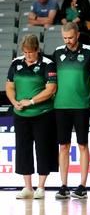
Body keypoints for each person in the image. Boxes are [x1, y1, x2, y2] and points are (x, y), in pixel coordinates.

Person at [6, 35, 58, 199]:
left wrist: (32, 101)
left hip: (42, 114)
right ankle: (27, 187)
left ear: (37, 50)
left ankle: (41, 187)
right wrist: (14, 101)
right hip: (21, 115)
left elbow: (51, 89)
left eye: (31, 52)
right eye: (25, 52)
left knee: (43, 148)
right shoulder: (16, 63)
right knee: (23, 148)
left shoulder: (47, 64)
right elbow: (9, 86)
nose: (28, 55)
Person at [53, 22, 90, 199]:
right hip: (61, 106)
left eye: (70, 37)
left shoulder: (89, 52)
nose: (68, 41)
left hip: (82, 106)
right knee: (63, 146)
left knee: (83, 145)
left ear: (77, 35)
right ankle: (63, 185)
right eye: (65, 38)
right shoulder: (57, 53)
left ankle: (82, 185)